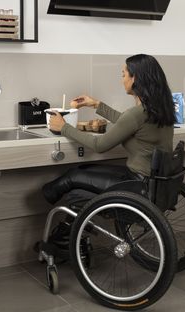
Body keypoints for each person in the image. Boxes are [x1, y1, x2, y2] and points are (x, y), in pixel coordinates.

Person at [42, 54, 175, 208]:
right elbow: (127, 122)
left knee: (72, 176)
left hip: (139, 185)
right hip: (152, 182)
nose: (122, 80)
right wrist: (96, 104)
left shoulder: (137, 113)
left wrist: (64, 127)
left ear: (135, 79)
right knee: (85, 169)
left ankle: (42, 214)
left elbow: (99, 145)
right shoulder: (159, 109)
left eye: (123, 75)